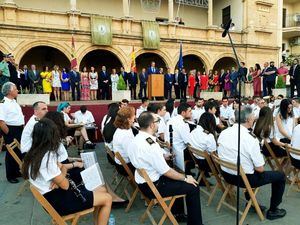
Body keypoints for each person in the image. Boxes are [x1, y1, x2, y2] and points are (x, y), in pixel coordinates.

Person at [22, 118, 112, 225]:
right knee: (107, 198)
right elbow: (65, 185)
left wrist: (60, 174)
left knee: (101, 189)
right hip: (60, 201)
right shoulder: (47, 157)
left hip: (54, 198)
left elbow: (61, 168)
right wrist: (62, 172)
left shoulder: (34, 153)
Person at [128, 111, 203, 225]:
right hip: (154, 186)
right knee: (193, 186)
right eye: (157, 122)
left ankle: (177, 214)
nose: (159, 124)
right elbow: (166, 171)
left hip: (144, 183)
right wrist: (185, 178)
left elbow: (145, 158)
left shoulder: (136, 139)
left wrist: (162, 156)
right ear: (152, 125)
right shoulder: (151, 145)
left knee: (177, 179)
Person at [218, 106, 286, 220]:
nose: (255, 118)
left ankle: (251, 203)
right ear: (249, 119)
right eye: (253, 116)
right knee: (281, 176)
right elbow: (260, 169)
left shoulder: (224, 132)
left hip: (226, 174)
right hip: (244, 178)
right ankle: (273, 210)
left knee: (248, 168)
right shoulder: (250, 139)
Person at [0, 82, 25, 183]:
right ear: (10, 91)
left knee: (18, 151)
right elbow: (1, 121)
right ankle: (10, 176)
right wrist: (8, 133)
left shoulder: (14, 101)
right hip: (11, 130)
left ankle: (16, 171)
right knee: (11, 153)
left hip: (19, 129)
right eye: (15, 89)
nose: (17, 90)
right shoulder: (3, 104)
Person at [165, 103, 193, 174]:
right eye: (189, 111)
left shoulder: (172, 119)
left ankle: (188, 172)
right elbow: (188, 142)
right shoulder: (183, 124)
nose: (191, 113)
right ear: (183, 113)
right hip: (180, 151)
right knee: (199, 152)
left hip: (171, 149)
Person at [112, 106, 136, 175]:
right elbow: (132, 155)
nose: (135, 116)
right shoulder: (125, 135)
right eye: (133, 115)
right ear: (128, 119)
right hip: (125, 167)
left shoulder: (122, 129)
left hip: (121, 164)